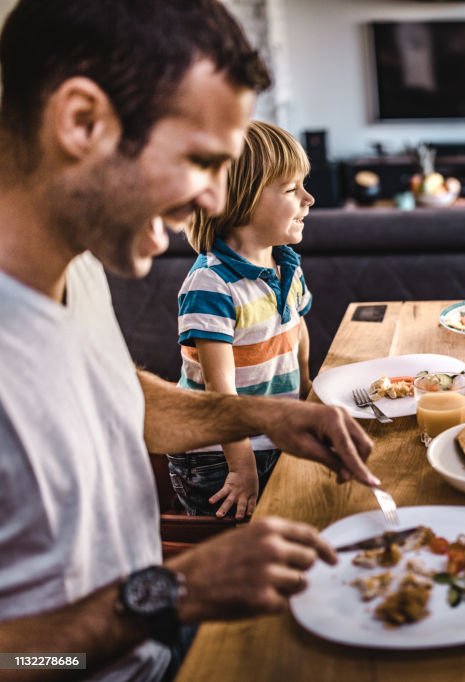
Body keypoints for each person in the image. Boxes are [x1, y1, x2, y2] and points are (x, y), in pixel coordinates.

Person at [0, 2, 379, 679]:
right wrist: (175, 593)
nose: (213, 201)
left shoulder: (76, 264)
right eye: (200, 161)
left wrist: (263, 412)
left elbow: (111, 398)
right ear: (81, 122)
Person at [171, 121, 316, 519]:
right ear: (241, 200)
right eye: (291, 189)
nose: (309, 198)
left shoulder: (285, 263)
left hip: (271, 436)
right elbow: (221, 390)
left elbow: (296, 329)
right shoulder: (211, 283)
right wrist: (241, 466)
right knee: (236, 556)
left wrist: (305, 391)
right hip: (218, 456)